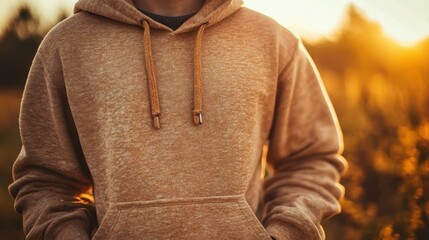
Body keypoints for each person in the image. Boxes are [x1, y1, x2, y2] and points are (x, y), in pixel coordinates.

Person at [8, 0, 348, 239]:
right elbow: (45, 180)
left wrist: (286, 234)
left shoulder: (273, 42)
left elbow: (311, 158)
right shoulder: (67, 46)